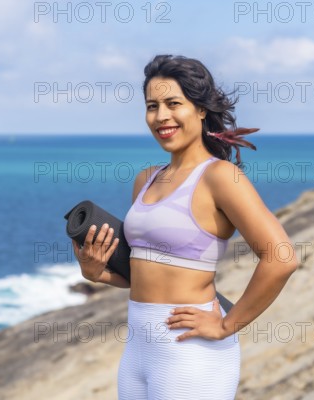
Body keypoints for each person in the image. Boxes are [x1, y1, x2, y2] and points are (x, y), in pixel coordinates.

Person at [71, 54, 298, 399]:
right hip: (138, 350)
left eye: (173, 103)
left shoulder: (220, 177)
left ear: (201, 109)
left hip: (192, 354)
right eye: (152, 106)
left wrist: (226, 324)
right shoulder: (145, 180)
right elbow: (148, 272)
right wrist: (96, 272)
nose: (161, 116)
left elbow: (281, 258)